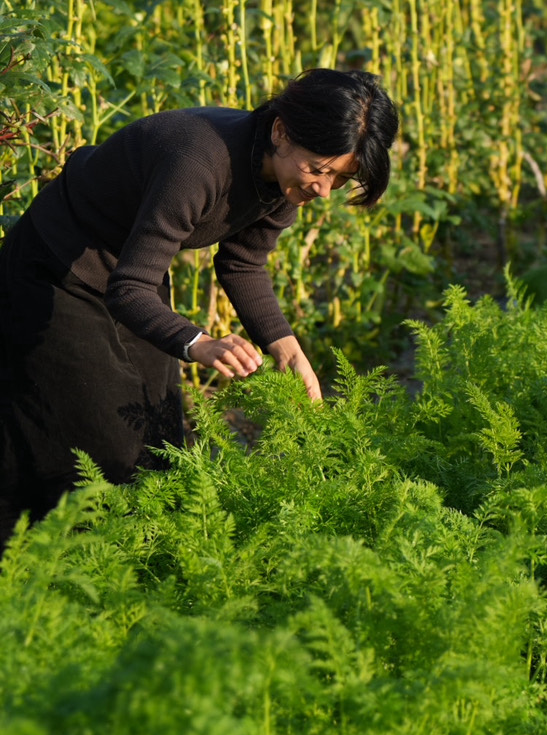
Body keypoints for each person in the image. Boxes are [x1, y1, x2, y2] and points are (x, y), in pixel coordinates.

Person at [0, 68, 399, 540]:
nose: (323, 190)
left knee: (162, 434)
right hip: (55, 269)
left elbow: (243, 263)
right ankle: (45, 562)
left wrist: (288, 350)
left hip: (131, 276)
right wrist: (199, 343)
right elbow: (130, 289)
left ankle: (145, 559)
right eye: (319, 169)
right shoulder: (199, 160)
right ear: (280, 131)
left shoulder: (284, 179)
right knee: (106, 443)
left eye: (339, 177)